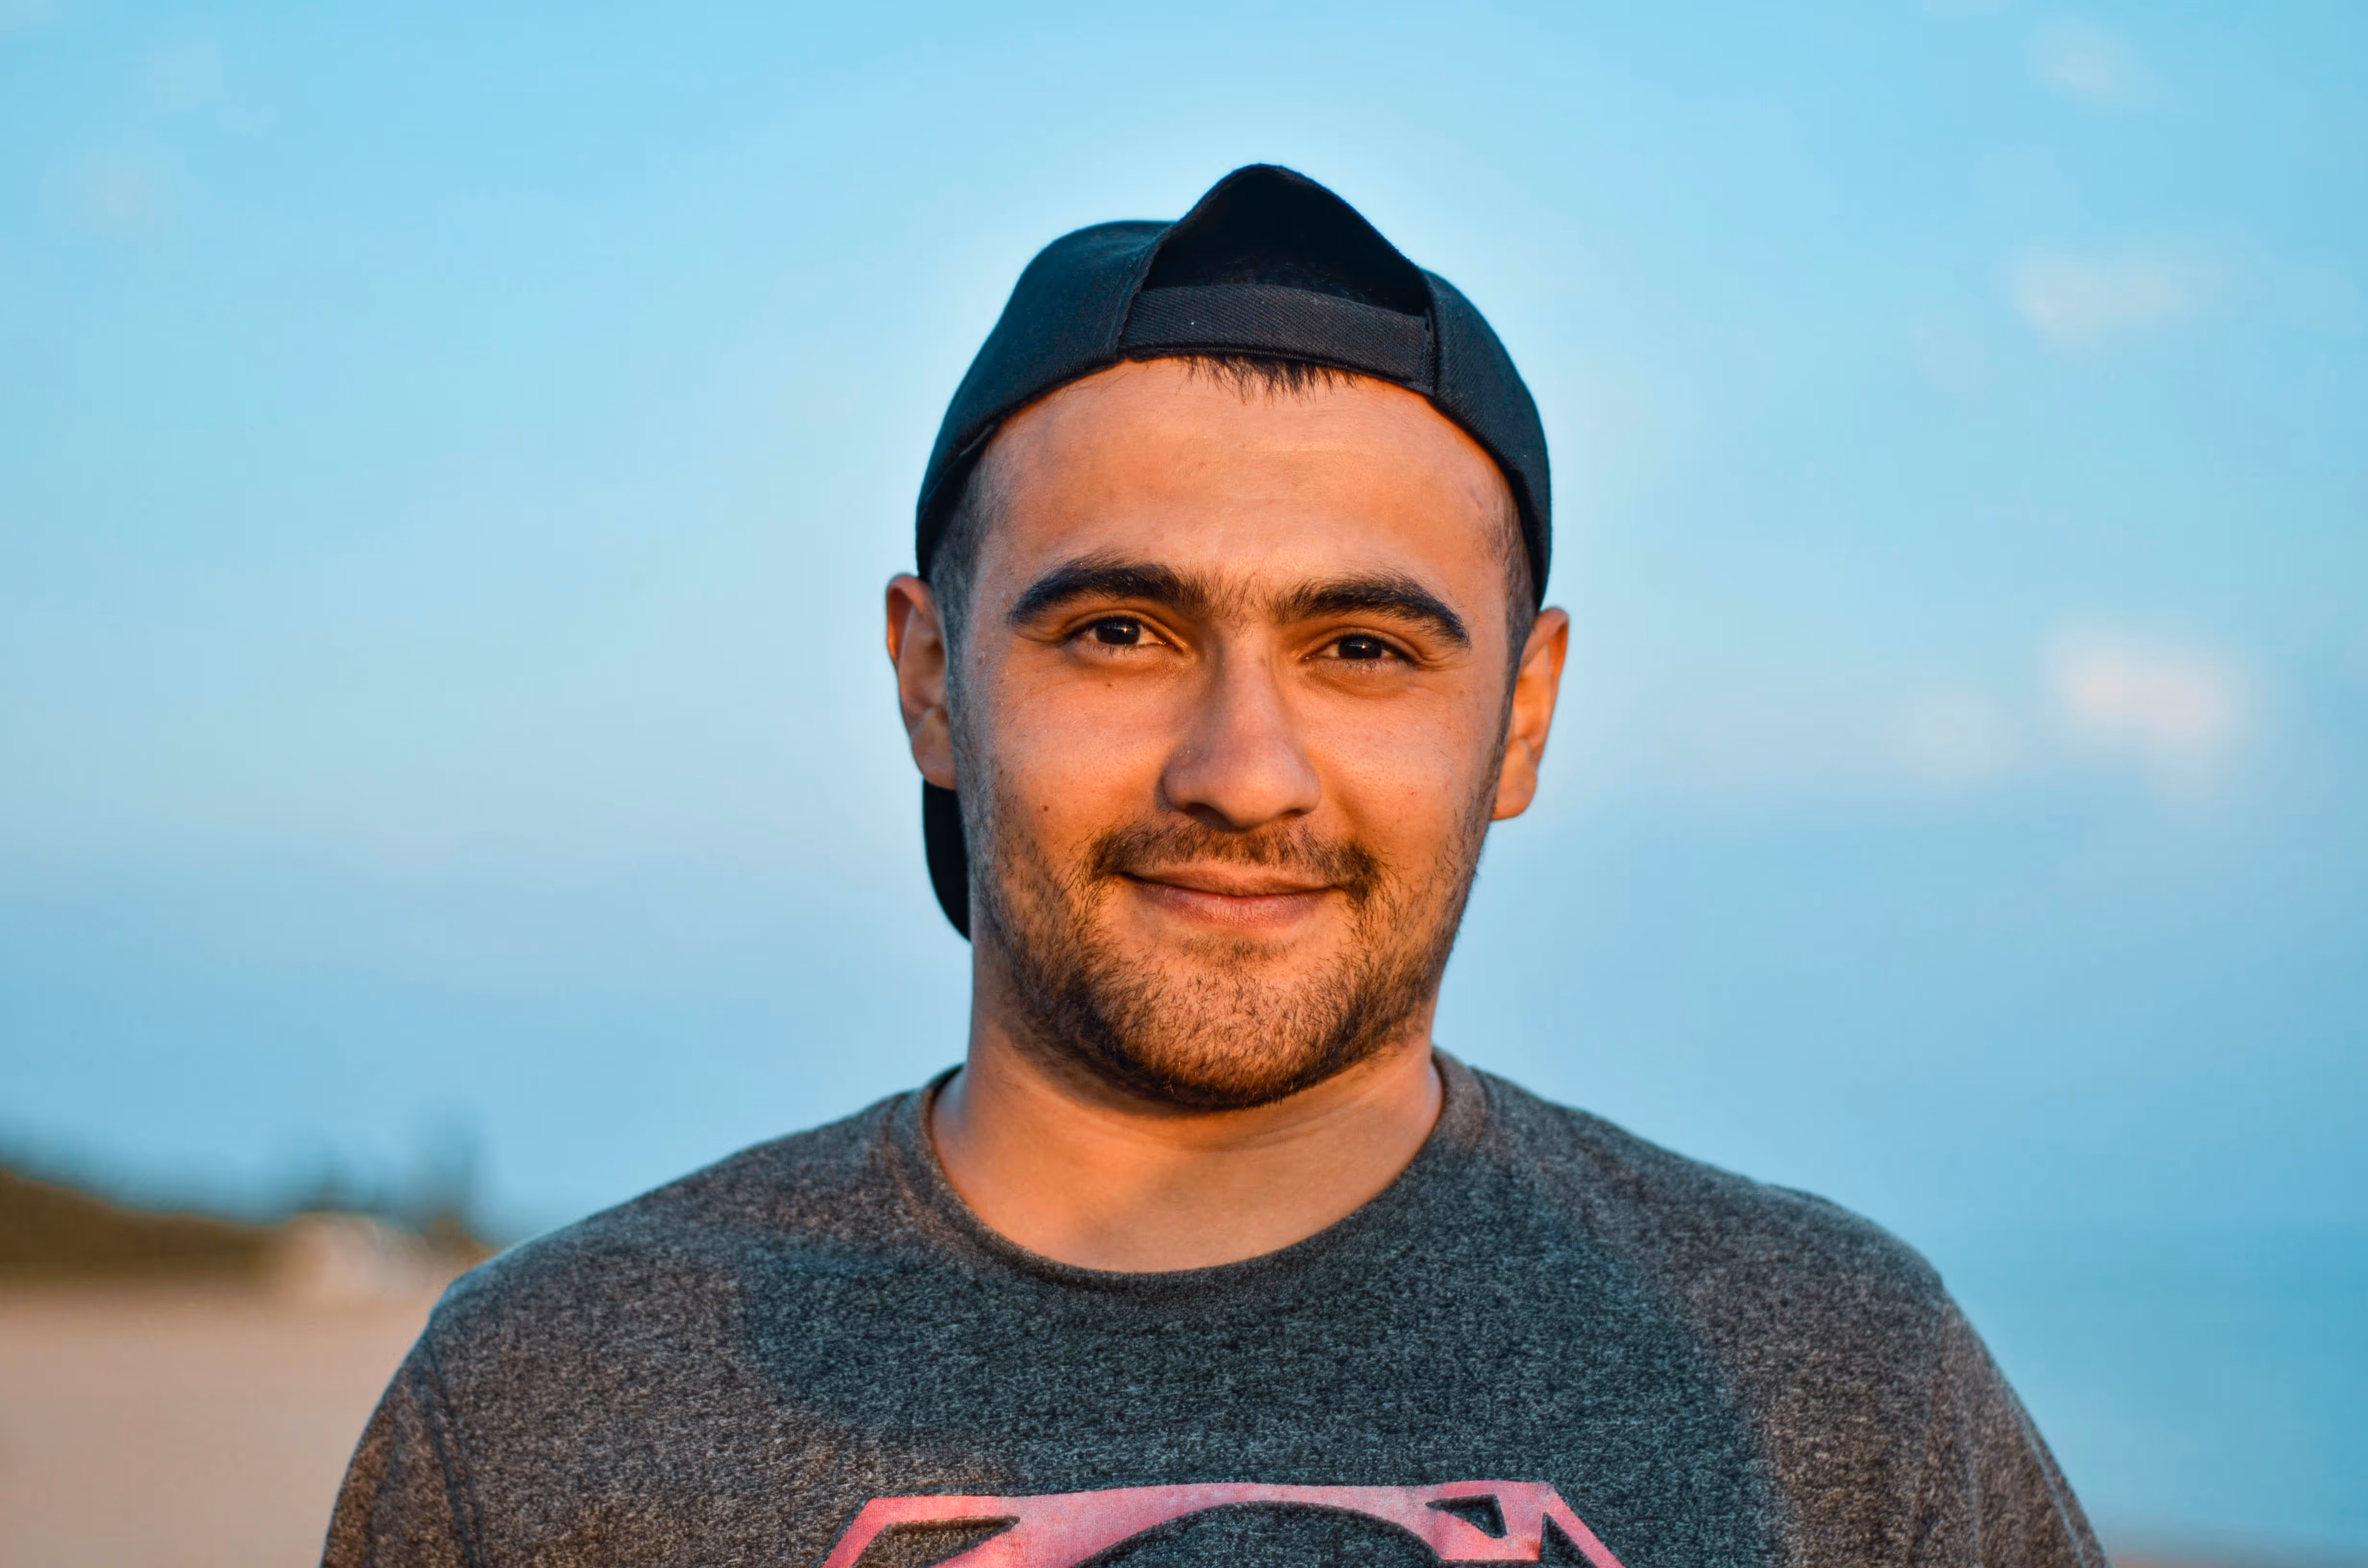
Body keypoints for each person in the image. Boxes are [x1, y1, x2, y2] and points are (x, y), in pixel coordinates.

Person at [324, 166, 2102, 1568]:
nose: (1244, 773)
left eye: (1365, 650)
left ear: (1529, 714)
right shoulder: (553, 1405)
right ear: (932, 679)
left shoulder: (1836, 1385)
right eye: (1117, 630)